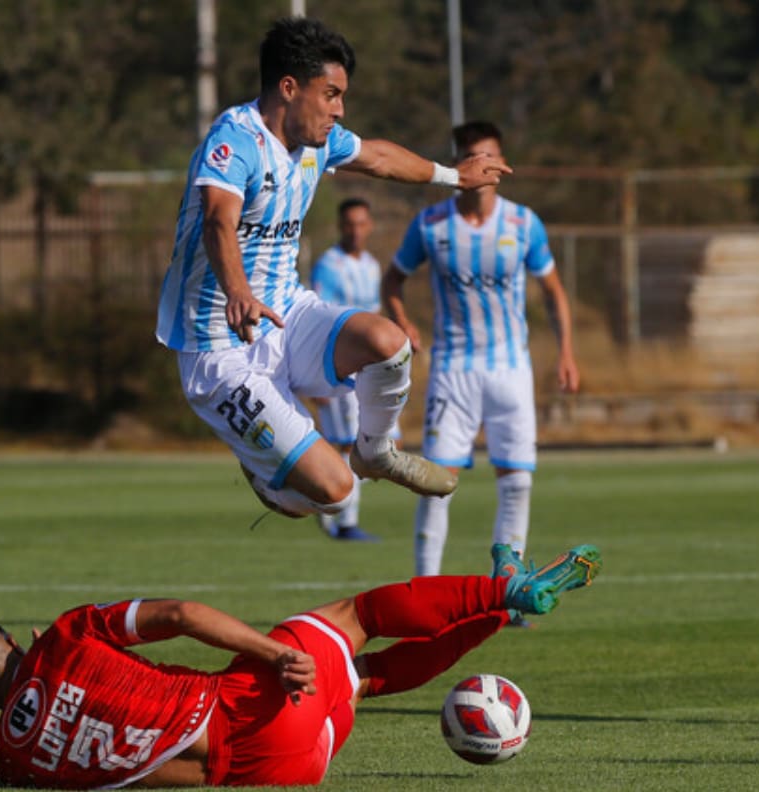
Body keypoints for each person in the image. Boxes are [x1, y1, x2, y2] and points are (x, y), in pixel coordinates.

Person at [155, 18, 511, 522]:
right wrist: (236, 289)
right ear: (289, 87)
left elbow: (381, 158)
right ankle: (265, 473)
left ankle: (375, 451)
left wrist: (455, 177)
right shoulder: (235, 140)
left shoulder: (318, 144)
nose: (339, 109)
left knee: (389, 345)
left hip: (286, 314)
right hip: (218, 349)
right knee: (335, 495)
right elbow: (218, 220)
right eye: (331, 94)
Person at [0, 543, 602, 788]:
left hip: (281, 771)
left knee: (364, 678)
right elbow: (182, 615)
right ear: (18, 645)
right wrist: (273, 652)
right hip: (247, 707)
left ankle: (496, 614)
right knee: (356, 618)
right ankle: (501, 598)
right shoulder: (65, 638)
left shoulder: (9, 764)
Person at [383, 121, 579, 580]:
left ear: (503, 162)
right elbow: (393, 280)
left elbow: (553, 291)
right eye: (474, 156)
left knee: (517, 483)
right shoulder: (431, 225)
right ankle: (424, 592)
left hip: (511, 370)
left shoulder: (523, 223)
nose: (484, 166)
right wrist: (403, 320)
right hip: (454, 370)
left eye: (491, 156)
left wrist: (567, 351)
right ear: (460, 162)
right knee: (436, 485)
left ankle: (506, 592)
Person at [307, 198, 387, 541]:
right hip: (336, 367)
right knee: (347, 446)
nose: (356, 231)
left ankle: (329, 510)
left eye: (361, 224)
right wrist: (315, 381)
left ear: (369, 226)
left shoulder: (371, 265)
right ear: (341, 227)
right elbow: (315, 318)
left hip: (366, 369)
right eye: (349, 224)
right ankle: (340, 519)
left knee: (362, 445)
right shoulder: (329, 266)